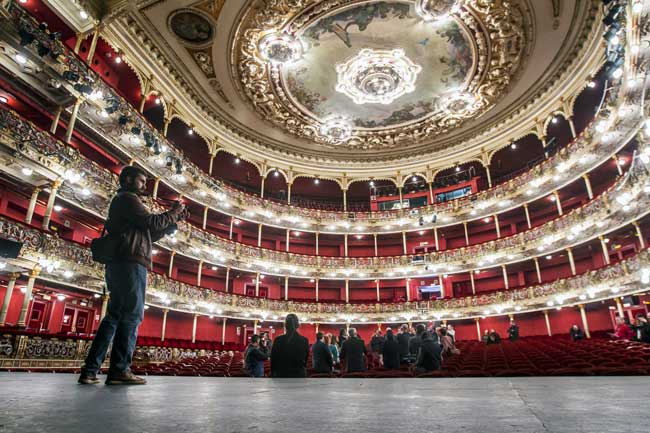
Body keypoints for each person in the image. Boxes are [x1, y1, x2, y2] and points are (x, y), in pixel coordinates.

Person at [79, 166, 188, 385]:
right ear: (128, 179)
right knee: (132, 315)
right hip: (129, 261)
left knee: (114, 317)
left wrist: (173, 223)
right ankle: (120, 370)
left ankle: (90, 370)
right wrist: (174, 212)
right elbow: (151, 223)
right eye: (141, 181)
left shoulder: (126, 202)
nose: (144, 185)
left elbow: (150, 233)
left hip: (122, 261)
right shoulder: (127, 198)